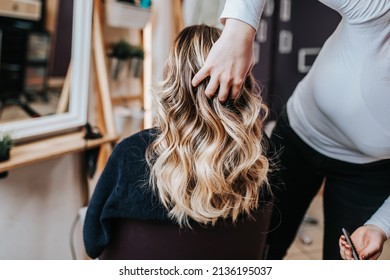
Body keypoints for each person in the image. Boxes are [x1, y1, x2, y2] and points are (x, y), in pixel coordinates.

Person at [193, 0, 390, 259]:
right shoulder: (378, 8)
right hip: (298, 138)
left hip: (369, 172)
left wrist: (380, 226)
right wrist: (239, 30)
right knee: (262, 247)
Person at [83, 24, 272, 259]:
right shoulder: (260, 152)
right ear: (239, 75)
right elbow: (269, 239)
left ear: (173, 77)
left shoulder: (131, 154)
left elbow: (93, 243)